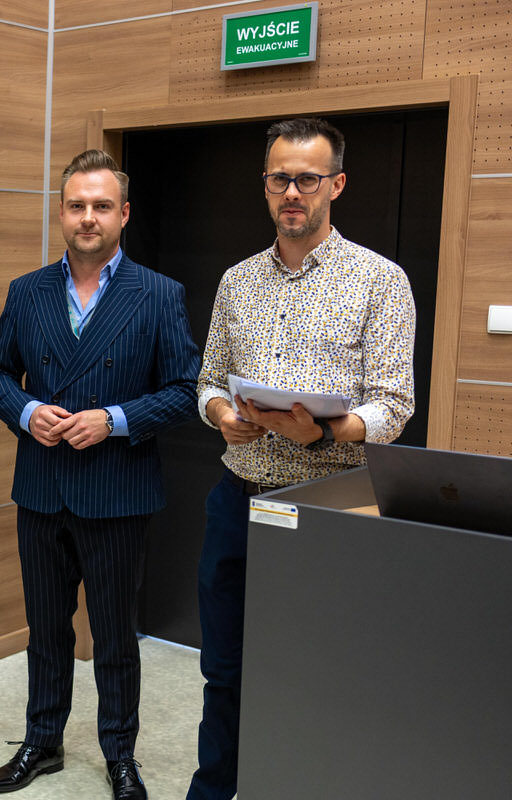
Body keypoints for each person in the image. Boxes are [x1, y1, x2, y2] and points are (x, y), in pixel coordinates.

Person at [186, 117, 415, 800]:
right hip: (237, 501)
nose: (292, 192)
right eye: (279, 178)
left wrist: (330, 431)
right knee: (224, 668)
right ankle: (214, 788)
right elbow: (208, 381)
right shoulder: (237, 281)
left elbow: (394, 407)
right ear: (265, 186)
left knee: (320, 673)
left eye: (307, 179)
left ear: (335, 185)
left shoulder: (379, 281)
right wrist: (224, 415)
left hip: (329, 509)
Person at [0, 150, 200, 800]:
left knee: (113, 636)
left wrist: (115, 419)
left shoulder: (158, 294)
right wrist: (26, 412)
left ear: (123, 214)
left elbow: (185, 390)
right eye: (76, 205)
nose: (88, 217)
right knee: (46, 631)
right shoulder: (28, 291)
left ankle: (120, 754)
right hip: (42, 489)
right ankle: (42, 742)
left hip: (117, 492)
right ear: (61, 212)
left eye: (101, 206)